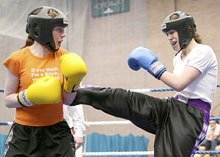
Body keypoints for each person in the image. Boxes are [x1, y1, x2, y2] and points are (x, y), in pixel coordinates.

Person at [70, 11, 218, 157]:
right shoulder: (178, 58)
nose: (169, 37)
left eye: (172, 32)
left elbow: (179, 83)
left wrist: (153, 66)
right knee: (127, 100)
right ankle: (78, 93)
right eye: (167, 34)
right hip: (173, 106)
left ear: (186, 29)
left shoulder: (203, 51)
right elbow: (181, 91)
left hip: (191, 117)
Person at [2, 6, 87, 157]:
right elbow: (8, 100)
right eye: (59, 30)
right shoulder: (17, 59)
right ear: (42, 30)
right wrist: (28, 97)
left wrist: (72, 84)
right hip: (24, 133)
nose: (64, 34)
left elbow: (67, 100)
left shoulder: (64, 57)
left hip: (57, 132)